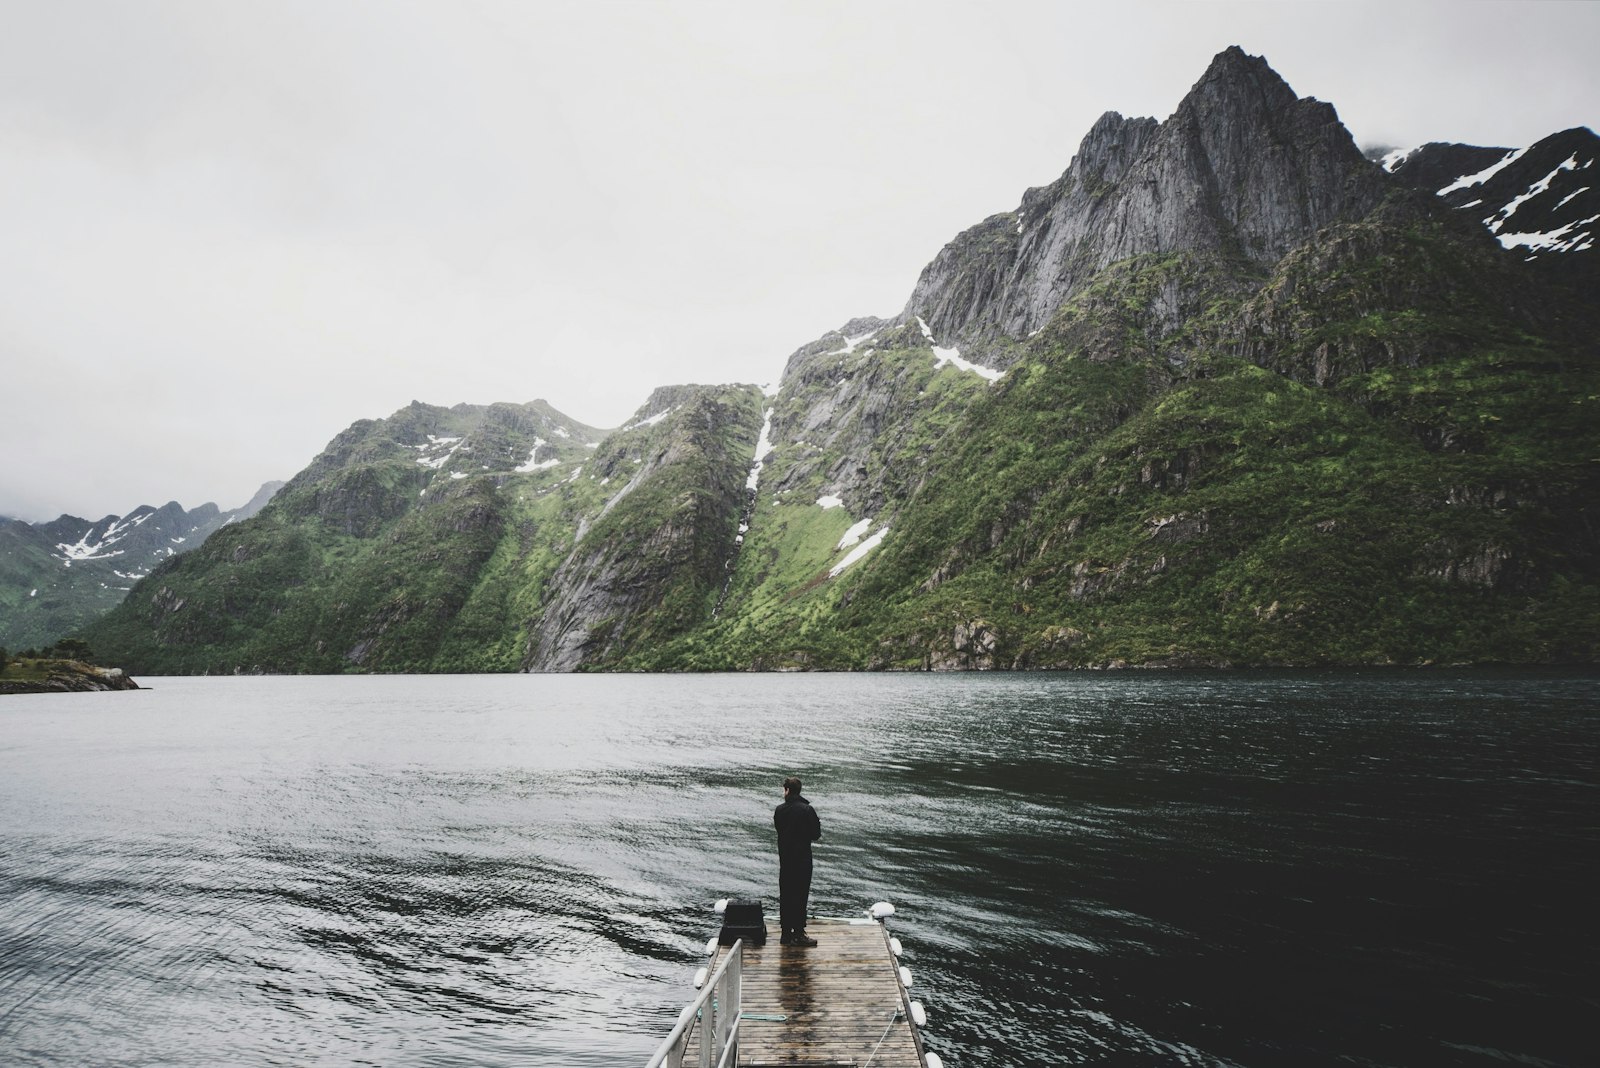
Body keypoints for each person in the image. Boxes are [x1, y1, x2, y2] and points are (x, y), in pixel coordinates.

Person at [773, 775, 822, 946]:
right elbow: (816, 835)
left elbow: (779, 828)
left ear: (787, 790)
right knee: (800, 896)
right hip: (802, 861)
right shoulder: (807, 810)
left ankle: (785, 934)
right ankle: (799, 932)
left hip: (785, 860)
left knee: (786, 895)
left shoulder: (779, 810)